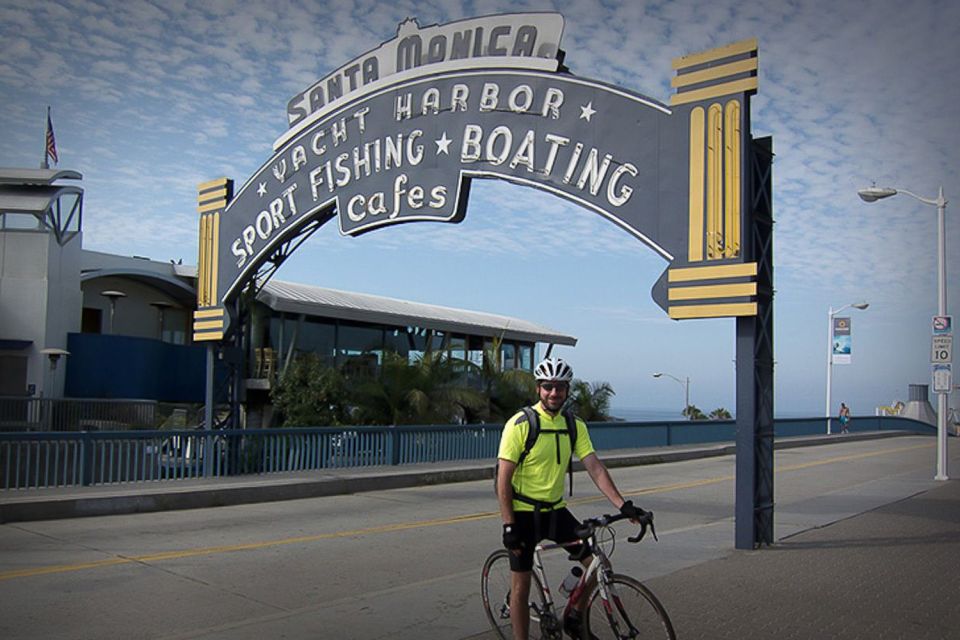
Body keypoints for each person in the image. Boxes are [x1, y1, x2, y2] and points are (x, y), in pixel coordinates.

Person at [496, 357, 643, 640]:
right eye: (548, 387)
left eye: (560, 387)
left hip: (556, 513)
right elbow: (503, 479)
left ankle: (574, 616)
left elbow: (595, 467)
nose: (554, 393)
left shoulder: (574, 425)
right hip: (523, 514)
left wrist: (623, 505)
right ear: (539, 389)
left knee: (599, 565)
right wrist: (509, 525)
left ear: (567, 389)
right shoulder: (520, 424)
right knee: (521, 586)